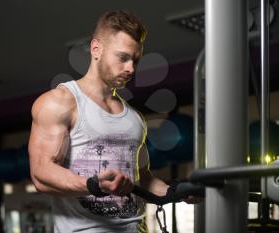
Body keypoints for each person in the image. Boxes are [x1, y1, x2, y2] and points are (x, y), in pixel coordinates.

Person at [28, 10, 195, 233]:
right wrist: (93, 184)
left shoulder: (135, 118)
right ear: (96, 49)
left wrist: (179, 191)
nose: (131, 69)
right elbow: (41, 173)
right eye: (123, 57)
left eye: (135, 60)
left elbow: (143, 180)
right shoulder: (59, 103)